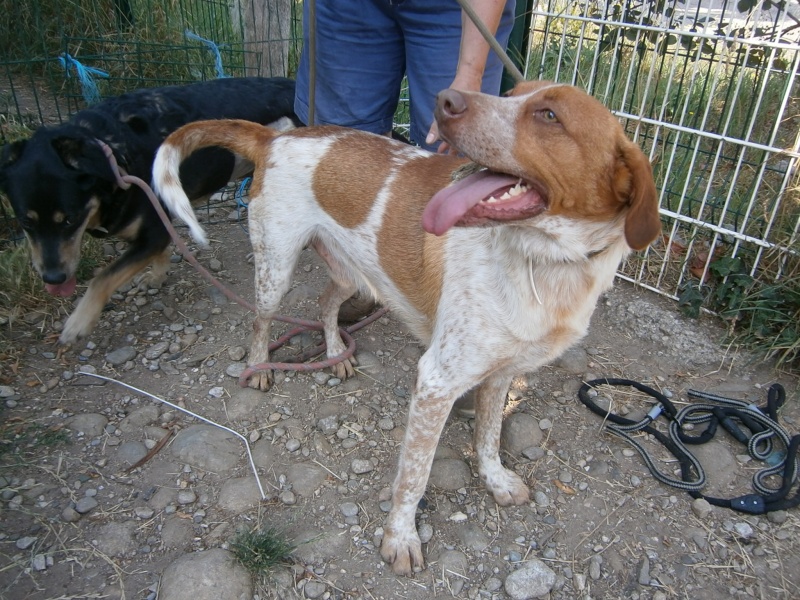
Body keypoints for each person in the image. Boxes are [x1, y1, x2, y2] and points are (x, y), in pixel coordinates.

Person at [294, 0, 517, 152]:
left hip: (454, 7)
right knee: (342, 151)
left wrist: (470, 72)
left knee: (455, 156)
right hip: (348, 6)